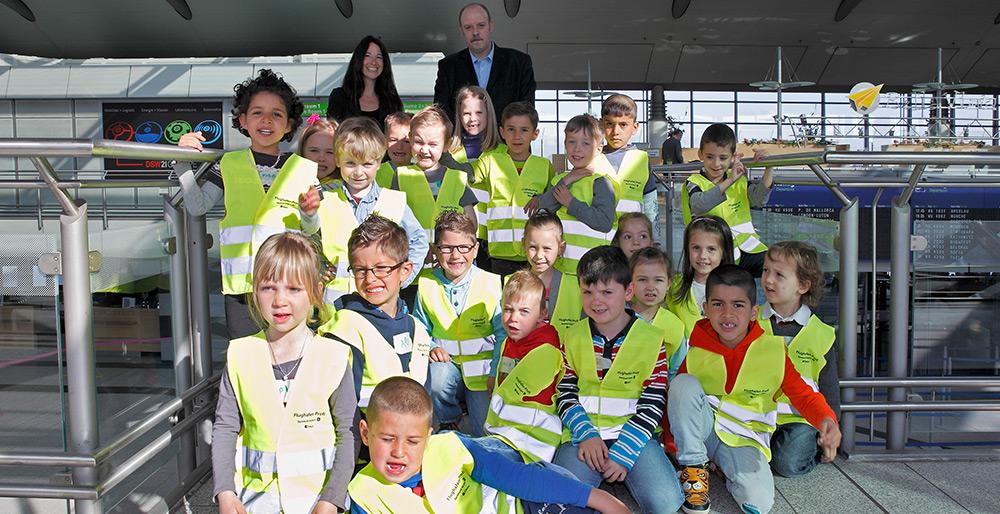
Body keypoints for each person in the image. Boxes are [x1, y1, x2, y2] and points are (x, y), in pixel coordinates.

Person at [668, 265, 840, 514]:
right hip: (705, 430)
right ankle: (694, 470)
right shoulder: (696, 347)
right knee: (682, 384)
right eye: (718, 304)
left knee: (758, 503)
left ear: (753, 312)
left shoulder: (772, 351)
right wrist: (674, 448)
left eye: (738, 305)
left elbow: (803, 395)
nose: (727, 314)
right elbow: (679, 405)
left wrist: (826, 419)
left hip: (744, 437)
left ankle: (721, 465)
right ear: (705, 308)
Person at [211, 232, 355, 514]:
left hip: (317, 503)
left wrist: (332, 498)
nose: (280, 300)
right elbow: (225, 427)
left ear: (315, 292)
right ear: (254, 291)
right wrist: (225, 492)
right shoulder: (240, 354)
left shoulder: (334, 357)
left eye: (294, 289)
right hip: (255, 502)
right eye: (268, 288)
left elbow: (347, 434)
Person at [347, 376, 630, 514]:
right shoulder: (362, 494)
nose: (398, 452)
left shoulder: (451, 447)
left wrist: (601, 498)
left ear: (429, 437)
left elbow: (518, 478)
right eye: (387, 439)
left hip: (523, 504)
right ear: (365, 433)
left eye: (412, 441)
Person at [176, 68, 310, 340]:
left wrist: (311, 213)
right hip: (242, 287)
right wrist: (181, 163)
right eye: (257, 112)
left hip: (290, 283)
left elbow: (311, 227)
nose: (266, 120)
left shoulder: (303, 168)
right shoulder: (228, 164)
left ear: (289, 125)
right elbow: (198, 206)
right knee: (246, 353)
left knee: (289, 352)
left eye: (277, 114)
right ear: (243, 120)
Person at [553, 246, 684, 514]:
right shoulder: (573, 336)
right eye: (587, 292)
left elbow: (654, 401)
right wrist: (586, 435)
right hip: (583, 436)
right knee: (560, 501)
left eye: (606, 292)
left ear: (628, 291)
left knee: (666, 503)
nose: (596, 301)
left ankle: (615, 477)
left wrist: (625, 453)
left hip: (634, 436)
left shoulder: (652, 339)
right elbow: (565, 393)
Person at [298, 117, 428, 317]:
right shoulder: (325, 198)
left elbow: (419, 240)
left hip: (382, 306)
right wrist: (320, 269)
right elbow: (309, 238)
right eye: (350, 163)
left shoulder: (395, 201)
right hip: (335, 308)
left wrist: (401, 279)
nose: (358, 172)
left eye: (367, 164)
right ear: (338, 161)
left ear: (378, 162)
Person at [319, 215, 431, 414]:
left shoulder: (417, 329)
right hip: (364, 431)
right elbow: (342, 408)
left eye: (381, 268)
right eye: (360, 270)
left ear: (405, 270)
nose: (370, 279)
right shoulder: (345, 327)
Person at [413, 211, 504, 437]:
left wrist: (496, 371)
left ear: (475, 249)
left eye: (463, 247)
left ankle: (469, 421)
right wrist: (431, 347)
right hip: (446, 369)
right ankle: (449, 421)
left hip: (483, 374)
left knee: (484, 433)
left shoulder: (491, 283)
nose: (455, 255)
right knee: (438, 380)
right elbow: (419, 328)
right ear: (435, 250)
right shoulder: (427, 284)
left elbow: (503, 333)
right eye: (446, 248)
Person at [759, 241, 840, 478]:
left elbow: (830, 389)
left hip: (800, 420)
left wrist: (831, 430)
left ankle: (806, 450)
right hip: (755, 416)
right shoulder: (750, 321)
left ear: (803, 285)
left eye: (779, 275)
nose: (768, 279)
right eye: (765, 270)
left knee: (788, 461)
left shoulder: (822, 334)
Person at [484, 270, 564, 462]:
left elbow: (510, 394)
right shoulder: (510, 341)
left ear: (542, 314)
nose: (514, 318)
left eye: (524, 312)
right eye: (508, 309)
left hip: (532, 443)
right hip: (508, 434)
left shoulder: (546, 350)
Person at [681, 123, 773, 277]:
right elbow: (700, 205)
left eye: (723, 158)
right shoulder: (693, 182)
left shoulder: (739, 180)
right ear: (700, 154)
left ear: (732, 157)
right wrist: (730, 180)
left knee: (776, 268)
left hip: (749, 248)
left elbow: (758, 200)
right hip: (714, 254)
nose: (716, 164)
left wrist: (769, 167)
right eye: (710, 157)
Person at [474, 101, 553, 276]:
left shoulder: (544, 166)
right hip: (498, 252)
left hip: (533, 253)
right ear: (502, 132)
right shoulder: (489, 161)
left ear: (535, 134)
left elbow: (552, 201)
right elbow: (467, 175)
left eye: (524, 130)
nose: (517, 136)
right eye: (511, 129)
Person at [535, 114, 616, 275]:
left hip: (594, 271)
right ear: (565, 144)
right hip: (561, 269)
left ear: (599, 148)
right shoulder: (561, 180)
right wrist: (568, 179)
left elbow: (604, 222)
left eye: (586, 143)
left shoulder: (601, 181)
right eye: (572, 142)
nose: (577, 148)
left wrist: (571, 203)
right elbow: (543, 209)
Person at [433, 2, 536, 122]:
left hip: (505, 134)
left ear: (491, 26)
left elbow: (527, 111)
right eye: (468, 27)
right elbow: (441, 114)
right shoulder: (448, 67)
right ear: (461, 31)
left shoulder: (519, 63)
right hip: (463, 135)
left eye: (481, 25)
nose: (475, 32)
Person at [391, 105, 480, 241]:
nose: (424, 150)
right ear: (410, 139)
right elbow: (392, 219)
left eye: (432, 144)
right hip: (413, 251)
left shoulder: (458, 178)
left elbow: (471, 224)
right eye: (419, 142)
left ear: (446, 145)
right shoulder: (401, 176)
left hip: (448, 252)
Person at [442, 86, 502, 265]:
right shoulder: (447, 151)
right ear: (459, 116)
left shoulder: (503, 152)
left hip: (492, 239)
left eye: (479, 112)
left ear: (489, 114)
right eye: (466, 113)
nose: (472, 118)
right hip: (457, 237)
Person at [594, 94, 659, 225]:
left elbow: (650, 205)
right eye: (609, 124)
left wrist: (652, 235)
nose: (615, 131)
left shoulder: (641, 160)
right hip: (598, 233)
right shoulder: (592, 158)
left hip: (632, 233)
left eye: (623, 124)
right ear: (601, 125)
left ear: (635, 127)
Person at [668, 216, 735, 337]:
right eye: (696, 248)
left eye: (711, 249)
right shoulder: (672, 287)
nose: (703, 256)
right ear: (687, 249)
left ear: (724, 252)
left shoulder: (737, 290)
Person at [522, 210, 583, 336]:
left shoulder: (577, 287)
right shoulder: (512, 283)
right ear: (523, 244)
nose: (539, 255)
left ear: (561, 248)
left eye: (547, 248)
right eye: (533, 247)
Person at [629, 247, 687, 378]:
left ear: (668, 284)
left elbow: (677, 369)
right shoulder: (619, 320)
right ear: (630, 283)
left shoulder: (675, 326)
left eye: (658, 280)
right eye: (642, 279)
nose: (650, 287)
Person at [326, 36, 403, 131]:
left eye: (379, 57)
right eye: (367, 55)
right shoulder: (339, 97)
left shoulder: (392, 101)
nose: (373, 62)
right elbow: (332, 134)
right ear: (358, 60)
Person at [297, 115, 338, 186]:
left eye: (330, 152)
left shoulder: (342, 187)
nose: (321, 158)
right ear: (302, 151)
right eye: (314, 151)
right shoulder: (292, 180)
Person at [375, 111, 413, 188]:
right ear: (385, 141)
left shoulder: (422, 173)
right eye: (393, 140)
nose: (399, 147)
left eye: (407, 141)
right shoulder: (375, 172)